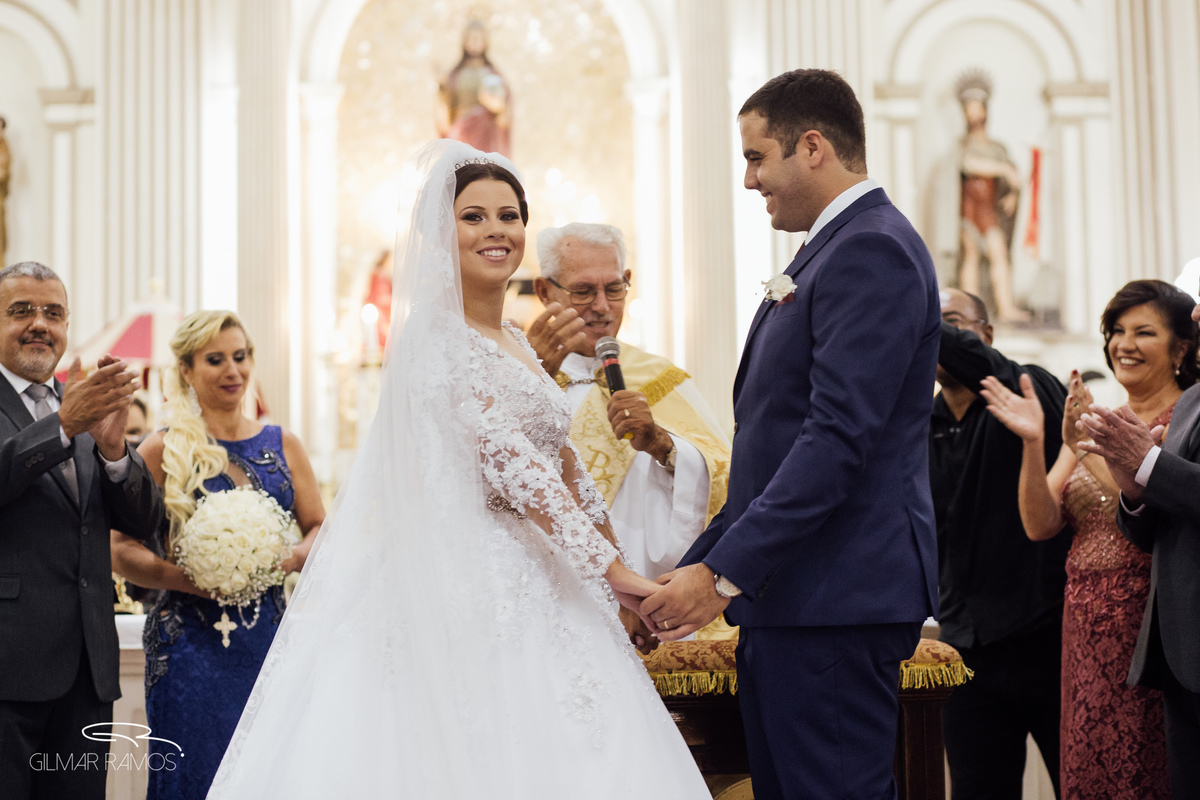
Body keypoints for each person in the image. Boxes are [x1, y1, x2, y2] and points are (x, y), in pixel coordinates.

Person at [205, 141, 710, 798]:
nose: (495, 230)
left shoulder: (520, 342)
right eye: (473, 216)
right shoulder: (430, 338)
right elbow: (509, 462)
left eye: (509, 215)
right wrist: (612, 573)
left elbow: (565, 464)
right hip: (461, 579)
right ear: (438, 235)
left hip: (546, 576)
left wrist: (611, 567)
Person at [643, 69, 940, 799]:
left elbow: (837, 442)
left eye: (756, 157)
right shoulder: (830, 249)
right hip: (801, 596)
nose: (749, 181)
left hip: (836, 596)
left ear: (812, 147)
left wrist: (717, 576)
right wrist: (692, 567)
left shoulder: (872, 250)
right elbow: (772, 451)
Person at [981, 280, 1186, 799]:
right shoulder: (1096, 423)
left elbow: (1144, 499)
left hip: (1149, 619)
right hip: (1083, 623)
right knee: (1088, 763)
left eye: (1144, 332)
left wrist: (1084, 446)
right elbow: (1040, 523)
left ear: (1182, 348)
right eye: (1116, 331)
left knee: (1144, 765)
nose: (1124, 344)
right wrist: (1036, 441)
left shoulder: (1184, 420)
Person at [109, 310, 325, 800]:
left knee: (269, 774)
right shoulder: (162, 449)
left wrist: (288, 558)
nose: (233, 371)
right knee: (192, 776)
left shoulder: (282, 444)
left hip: (268, 643)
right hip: (188, 650)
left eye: (241, 356)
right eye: (215, 360)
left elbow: (319, 528)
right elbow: (119, 549)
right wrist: (182, 578)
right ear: (186, 369)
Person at [0, 261, 164, 800]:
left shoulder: (85, 403)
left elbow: (146, 523)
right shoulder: (71, 412)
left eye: (53, 312)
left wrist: (116, 451)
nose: (39, 323)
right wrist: (63, 427)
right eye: (20, 311)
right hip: (9, 669)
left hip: (86, 671)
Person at [527, 222, 731, 587]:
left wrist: (664, 446)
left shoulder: (660, 379)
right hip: (543, 581)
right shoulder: (518, 373)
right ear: (544, 291)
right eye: (583, 291)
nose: (602, 307)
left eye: (615, 288)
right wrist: (532, 377)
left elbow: (725, 474)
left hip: (646, 587)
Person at [930, 288, 1069, 799]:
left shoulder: (1028, 386)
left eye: (950, 322)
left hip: (1047, 638)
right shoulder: (920, 423)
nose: (935, 334)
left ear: (987, 334)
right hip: (966, 649)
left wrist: (906, 299)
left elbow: (985, 368)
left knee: (1079, 784)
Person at [1078, 280, 1200, 797]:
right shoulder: (1195, 400)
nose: (1197, 316)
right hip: (1182, 645)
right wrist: (1133, 488)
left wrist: (1149, 463)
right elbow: (1159, 529)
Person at [953, 71, 1028, 324]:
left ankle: (1006, 307)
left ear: (985, 110)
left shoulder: (997, 148)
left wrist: (1013, 195)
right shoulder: (963, 145)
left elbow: (1012, 178)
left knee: (998, 254)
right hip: (969, 209)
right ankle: (969, 309)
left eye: (976, 108)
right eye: (968, 109)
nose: (973, 114)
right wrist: (1003, 170)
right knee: (971, 255)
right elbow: (967, 164)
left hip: (989, 211)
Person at [436, 21, 511, 157]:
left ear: (485, 42)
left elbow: (504, 109)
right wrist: (442, 87)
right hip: (462, 130)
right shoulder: (456, 74)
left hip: (485, 132)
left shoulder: (492, 73)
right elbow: (447, 107)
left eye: (479, 39)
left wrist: (495, 105)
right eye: (471, 38)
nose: (475, 43)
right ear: (464, 41)